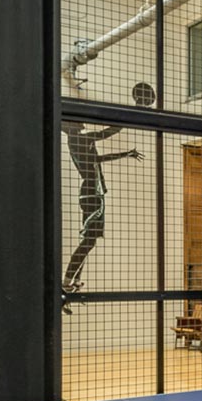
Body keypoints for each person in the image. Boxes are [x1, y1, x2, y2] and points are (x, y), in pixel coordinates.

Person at [61, 123, 141, 306]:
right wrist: (127, 115)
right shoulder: (81, 139)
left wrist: (125, 154)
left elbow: (100, 159)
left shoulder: (79, 142)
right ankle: (67, 282)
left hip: (93, 192)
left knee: (89, 241)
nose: (82, 124)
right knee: (88, 240)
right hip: (92, 193)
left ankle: (72, 282)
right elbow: (107, 132)